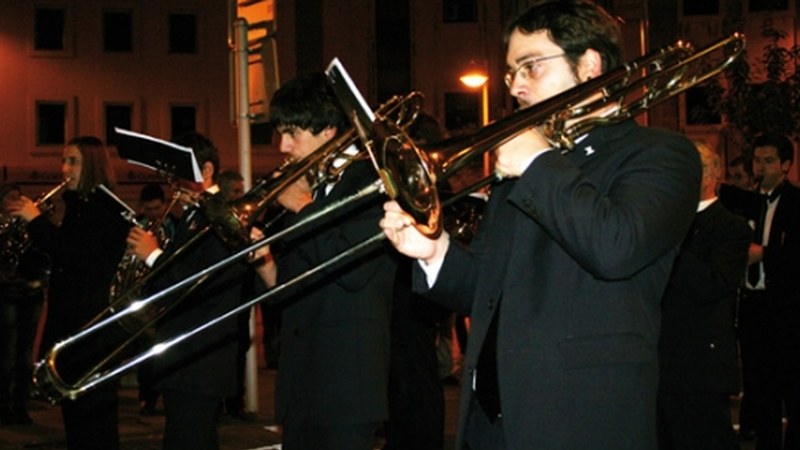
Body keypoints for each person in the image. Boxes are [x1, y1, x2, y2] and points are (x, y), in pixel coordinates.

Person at [379, 1, 702, 448]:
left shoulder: (659, 154)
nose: (516, 88)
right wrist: (435, 252)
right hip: (489, 424)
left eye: (531, 67)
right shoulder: (528, 171)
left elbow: (616, 248)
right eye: (512, 73)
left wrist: (538, 162)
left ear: (588, 64)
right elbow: (487, 291)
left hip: (578, 418)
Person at [254, 72, 398, 450]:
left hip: (347, 385)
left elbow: (353, 271)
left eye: (293, 133)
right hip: (301, 381)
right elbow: (295, 285)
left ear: (329, 131)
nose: (283, 146)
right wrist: (265, 263)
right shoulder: (314, 185)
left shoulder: (375, 179)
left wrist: (303, 207)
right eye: (280, 133)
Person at [127, 132, 248, 450]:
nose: (173, 182)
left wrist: (153, 256)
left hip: (200, 358)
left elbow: (201, 283)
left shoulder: (220, 216)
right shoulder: (194, 214)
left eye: (179, 172)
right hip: (186, 357)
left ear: (206, 170)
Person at [8, 136, 130, 449]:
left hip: (90, 330)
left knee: (93, 422)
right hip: (73, 327)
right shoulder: (78, 207)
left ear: (91, 165)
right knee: (76, 419)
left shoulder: (103, 210)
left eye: (73, 161)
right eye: (64, 160)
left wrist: (36, 223)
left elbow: (75, 257)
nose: (65, 168)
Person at [656, 141, 751, 450]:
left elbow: (714, 283)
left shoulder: (730, 227)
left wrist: (673, 244)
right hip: (662, 360)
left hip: (701, 365)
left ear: (710, 176)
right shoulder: (669, 224)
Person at [719, 133, 800, 450]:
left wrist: (765, 253)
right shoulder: (751, 201)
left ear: (785, 165)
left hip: (787, 311)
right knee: (760, 389)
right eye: (757, 160)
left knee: (792, 391)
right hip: (755, 309)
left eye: (768, 161)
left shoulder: (795, 203)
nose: (760, 167)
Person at [0, 183, 49, 426]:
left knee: (25, 354)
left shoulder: (29, 227)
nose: (15, 200)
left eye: (18, 197)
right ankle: (5, 404)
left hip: (30, 291)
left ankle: (19, 404)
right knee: (7, 353)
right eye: (10, 197)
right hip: (7, 294)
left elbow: (43, 255)